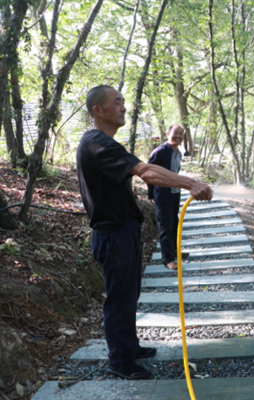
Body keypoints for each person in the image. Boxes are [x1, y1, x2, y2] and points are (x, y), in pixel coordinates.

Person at [76, 85, 212, 380]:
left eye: (123, 101)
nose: (123, 107)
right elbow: (146, 171)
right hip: (114, 235)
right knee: (119, 298)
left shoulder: (103, 142)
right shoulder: (96, 143)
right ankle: (120, 361)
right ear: (98, 110)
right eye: (117, 102)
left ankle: (129, 347)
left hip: (123, 231)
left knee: (129, 294)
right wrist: (190, 183)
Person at [147, 125, 190, 270]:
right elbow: (149, 173)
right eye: (175, 133)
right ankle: (168, 259)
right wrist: (152, 194)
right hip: (162, 194)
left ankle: (175, 251)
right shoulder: (160, 152)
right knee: (165, 226)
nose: (178, 136)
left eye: (181, 134)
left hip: (174, 192)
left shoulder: (178, 152)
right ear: (167, 134)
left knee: (174, 223)